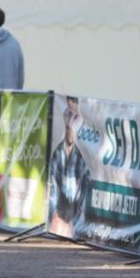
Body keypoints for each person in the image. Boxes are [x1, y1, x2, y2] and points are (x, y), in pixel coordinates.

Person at [47, 97, 91, 239]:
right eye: (68, 114)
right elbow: (51, 192)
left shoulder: (85, 158)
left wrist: (72, 224)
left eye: (76, 117)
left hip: (74, 229)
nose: (70, 122)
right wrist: (54, 217)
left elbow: (85, 202)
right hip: (57, 226)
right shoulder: (57, 154)